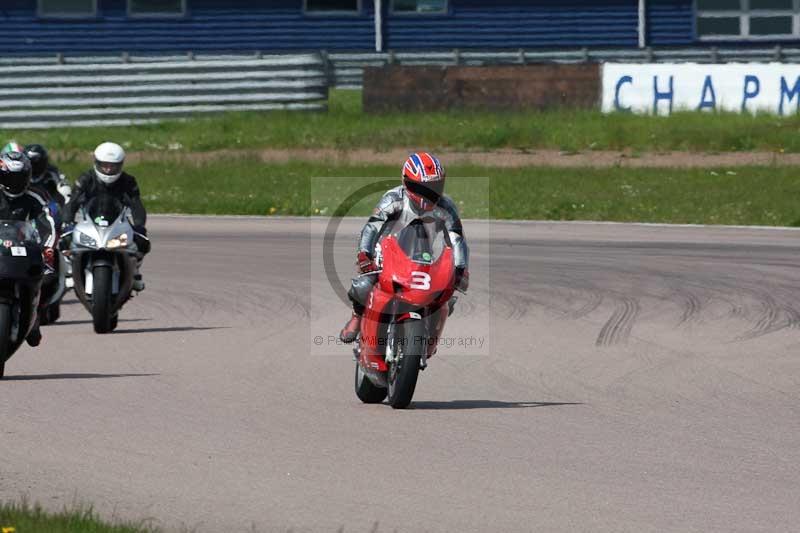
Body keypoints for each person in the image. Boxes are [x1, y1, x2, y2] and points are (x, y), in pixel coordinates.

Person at [339, 152, 469, 343]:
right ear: (406, 182)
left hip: (423, 258)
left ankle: (427, 339)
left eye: (433, 187)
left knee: (444, 297)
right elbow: (371, 227)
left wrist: (460, 269)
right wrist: (364, 255)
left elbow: (457, 239)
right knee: (364, 285)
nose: (426, 194)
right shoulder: (393, 198)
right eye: (420, 187)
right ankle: (357, 317)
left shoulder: (446, 207)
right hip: (387, 252)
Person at [62, 142, 149, 291]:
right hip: (88, 221)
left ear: (120, 165)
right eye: (105, 165)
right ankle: (71, 271)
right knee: (65, 238)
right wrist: (67, 221)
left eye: (113, 166)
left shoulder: (129, 181)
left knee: (142, 241)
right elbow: (73, 202)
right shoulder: (85, 179)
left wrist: (140, 225)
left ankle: (134, 272)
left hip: (118, 222)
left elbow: (137, 205)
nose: (108, 169)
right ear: (97, 163)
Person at [0, 150, 57, 347]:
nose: (16, 182)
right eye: (10, 177)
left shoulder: (36, 196)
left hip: (21, 249)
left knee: (46, 276)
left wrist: (47, 248)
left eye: (20, 177)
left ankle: (34, 316)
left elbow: (48, 222)